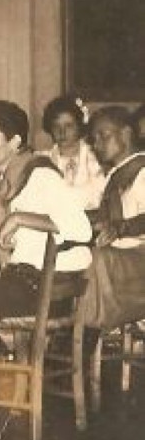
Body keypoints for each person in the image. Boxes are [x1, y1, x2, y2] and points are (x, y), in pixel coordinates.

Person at [0, 100, 92, 361]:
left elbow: (82, 229)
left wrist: (20, 217)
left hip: (44, 286)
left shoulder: (41, 175)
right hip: (12, 277)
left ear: (14, 142)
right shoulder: (3, 182)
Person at [81, 106, 145, 331]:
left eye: (103, 136)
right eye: (94, 139)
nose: (96, 145)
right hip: (122, 258)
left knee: (96, 260)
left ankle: (86, 333)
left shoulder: (142, 170)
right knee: (80, 256)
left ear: (126, 134)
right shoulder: (115, 175)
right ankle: (80, 331)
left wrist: (121, 228)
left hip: (139, 258)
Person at [36, 94, 105, 211]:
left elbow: (99, 197)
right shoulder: (40, 161)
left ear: (79, 126)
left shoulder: (97, 158)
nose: (62, 132)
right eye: (56, 126)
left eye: (69, 126)